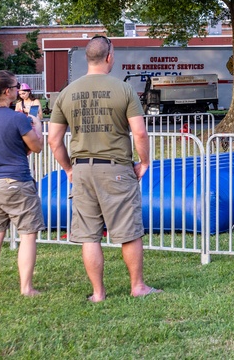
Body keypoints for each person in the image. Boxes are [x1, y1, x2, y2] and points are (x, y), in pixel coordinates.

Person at [47, 36, 160, 302]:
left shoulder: (66, 92)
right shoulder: (123, 89)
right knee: (129, 231)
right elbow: (140, 133)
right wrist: (144, 163)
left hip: (82, 170)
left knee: (89, 235)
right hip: (117, 169)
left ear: (88, 58)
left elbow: (53, 140)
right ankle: (137, 286)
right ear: (109, 57)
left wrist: (68, 169)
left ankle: (98, 293)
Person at [0, 71, 45, 296]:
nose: (17, 89)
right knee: (28, 234)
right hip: (16, 183)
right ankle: (26, 288)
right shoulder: (18, 118)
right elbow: (37, 146)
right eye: (15, 86)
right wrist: (37, 126)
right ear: (7, 91)